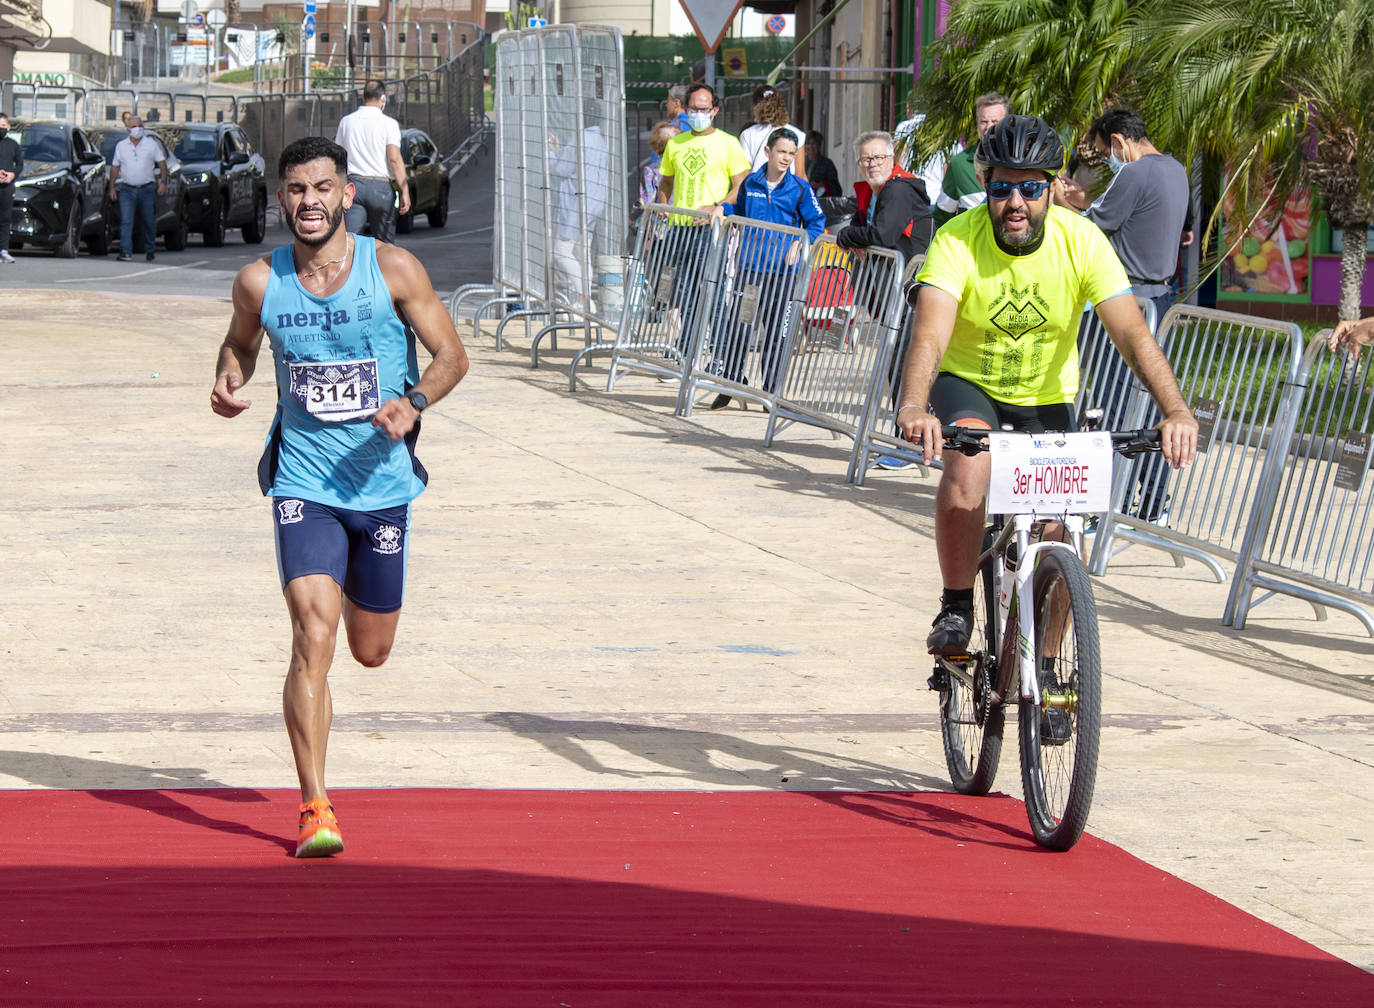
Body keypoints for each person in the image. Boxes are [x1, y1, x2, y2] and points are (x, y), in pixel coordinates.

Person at [209, 136, 469, 857]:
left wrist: (413, 401)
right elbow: (240, 345)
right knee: (311, 634)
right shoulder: (261, 282)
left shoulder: (392, 269)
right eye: (295, 190)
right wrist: (230, 377)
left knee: (371, 649)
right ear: (281, 198)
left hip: (381, 485)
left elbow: (454, 356)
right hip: (304, 480)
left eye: (322, 188)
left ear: (347, 194)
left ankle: (360, 584)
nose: (309, 202)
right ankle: (314, 805)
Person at [896, 115, 1197, 666]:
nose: (1016, 201)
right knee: (967, 471)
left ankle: (1051, 669)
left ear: (1052, 188)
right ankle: (958, 603)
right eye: (1002, 186)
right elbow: (931, 335)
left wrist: (1175, 410)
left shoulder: (1082, 240)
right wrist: (915, 405)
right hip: (971, 383)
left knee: (1062, 530)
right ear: (985, 186)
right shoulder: (956, 241)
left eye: (1031, 187)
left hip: (1046, 396)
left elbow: (1132, 332)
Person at [1056, 107, 1191, 522]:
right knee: (1153, 405)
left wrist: (1063, 201)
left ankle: (1100, 506)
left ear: (1118, 142)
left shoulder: (1133, 172)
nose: (1106, 161)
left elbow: (1096, 224)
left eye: (1104, 152)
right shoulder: (1176, 169)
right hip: (1159, 298)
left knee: (1110, 405)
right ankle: (1152, 504)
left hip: (1125, 299)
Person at [707, 128, 825, 407]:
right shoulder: (751, 183)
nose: (786, 158)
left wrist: (800, 245)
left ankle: (772, 393)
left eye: (792, 154)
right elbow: (741, 212)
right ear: (768, 152)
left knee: (777, 334)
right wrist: (723, 209)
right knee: (739, 329)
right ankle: (732, 383)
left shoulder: (799, 189)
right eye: (782, 152)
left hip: (783, 275)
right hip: (750, 270)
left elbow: (816, 223)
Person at [655, 83, 751, 355]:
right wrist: (663, 204)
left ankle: (721, 353)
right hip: (680, 229)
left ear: (715, 110)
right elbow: (666, 182)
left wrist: (717, 207)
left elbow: (740, 187)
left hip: (711, 231)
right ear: (685, 110)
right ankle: (686, 351)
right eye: (694, 109)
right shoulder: (676, 144)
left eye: (704, 109)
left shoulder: (729, 144)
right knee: (683, 294)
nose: (699, 113)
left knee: (714, 291)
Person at [335, 79, 410, 244]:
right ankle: (382, 269)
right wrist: (404, 190)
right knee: (384, 245)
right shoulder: (389, 124)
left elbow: (338, 156)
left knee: (351, 240)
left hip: (353, 185)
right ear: (383, 98)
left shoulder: (346, 122)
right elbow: (394, 159)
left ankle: (353, 269)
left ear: (363, 97)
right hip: (381, 187)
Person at [933, 92, 1010, 229]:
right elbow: (942, 215)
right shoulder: (959, 165)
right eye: (984, 122)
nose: (988, 127)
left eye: (995, 122)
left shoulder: (1022, 161)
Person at [107, 116, 168, 262]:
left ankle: (150, 249)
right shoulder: (121, 146)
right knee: (126, 221)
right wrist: (112, 187)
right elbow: (115, 168)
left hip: (146, 188)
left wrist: (163, 182)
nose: (138, 129)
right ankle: (126, 251)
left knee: (148, 220)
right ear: (128, 130)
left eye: (140, 126)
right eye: (134, 126)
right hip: (127, 189)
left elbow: (162, 164)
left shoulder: (151, 144)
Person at [737, 85, 807, 178]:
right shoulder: (797, 134)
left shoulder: (748, 134)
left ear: (756, 106)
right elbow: (800, 174)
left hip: (758, 189)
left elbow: (745, 174)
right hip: (788, 190)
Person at [0, 114, 20, 264]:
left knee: (5, 219)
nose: (1, 129)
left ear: (8, 127)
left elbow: (19, 165)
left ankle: (3, 250)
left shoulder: (13, 145)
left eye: (3, 126)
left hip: (7, 187)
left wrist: (12, 175)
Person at [803, 130, 841, 198]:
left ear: (819, 145)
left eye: (814, 143)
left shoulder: (827, 164)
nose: (811, 147)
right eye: (808, 143)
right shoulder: (799, 164)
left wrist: (821, 185)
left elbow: (837, 190)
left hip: (821, 204)